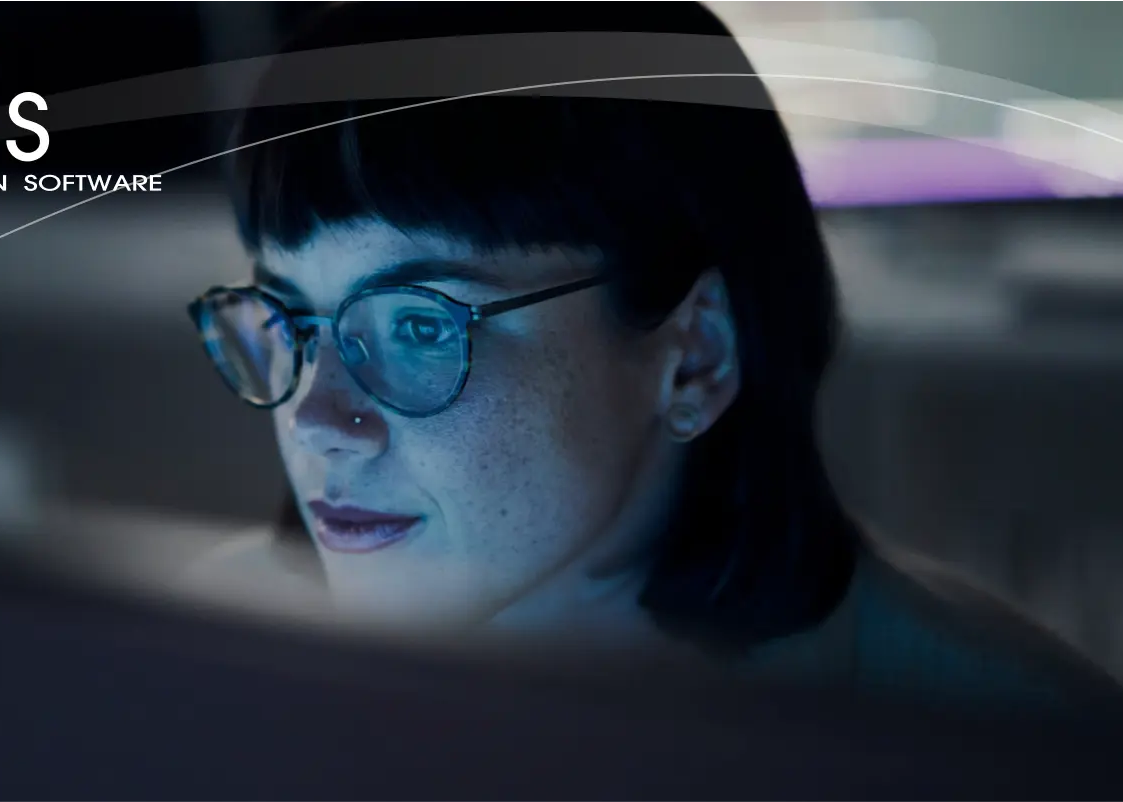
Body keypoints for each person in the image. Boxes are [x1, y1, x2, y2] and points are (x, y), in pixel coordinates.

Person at [184, 0, 1122, 714]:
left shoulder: (1002, 744)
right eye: (288, 319)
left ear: (695, 357)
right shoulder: (187, 660)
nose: (314, 421)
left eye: (422, 325)